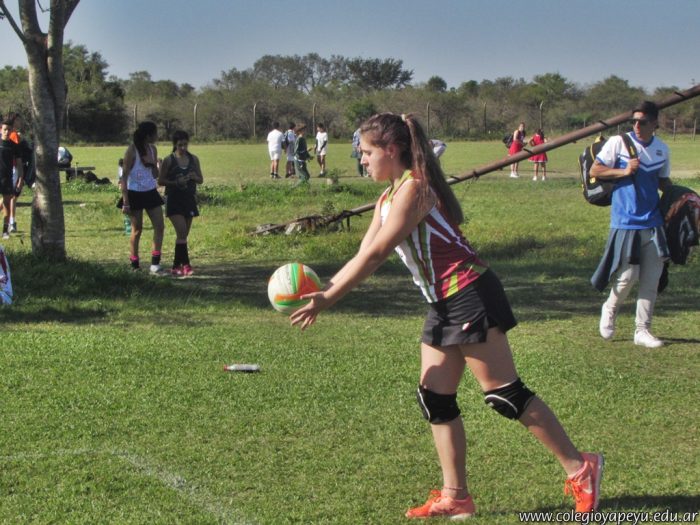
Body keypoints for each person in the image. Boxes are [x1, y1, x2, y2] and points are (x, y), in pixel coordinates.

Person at [290, 112, 602, 519]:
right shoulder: (387, 197)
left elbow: (377, 254)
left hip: (469, 293)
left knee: (504, 394)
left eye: (366, 152)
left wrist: (329, 299)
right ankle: (456, 496)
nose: (361, 159)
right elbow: (362, 253)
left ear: (391, 149)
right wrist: (324, 291)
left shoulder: (415, 189)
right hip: (444, 302)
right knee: (435, 397)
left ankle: (581, 469)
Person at [590, 101, 672, 348]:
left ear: (654, 123)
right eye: (634, 121)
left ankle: (642, 330)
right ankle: (609, 309)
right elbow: (596, 170)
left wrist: (682, 198)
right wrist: (624, 171)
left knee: (652, 278)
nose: (637, 125)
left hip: (653, 221)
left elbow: (663, 182)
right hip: (626, 220)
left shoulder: (662, 149)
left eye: (642, 121)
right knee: (628, 275)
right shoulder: (618, 142)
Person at [120, 121, 165, 274]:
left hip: (150, 192)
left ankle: (155, 263)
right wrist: (125, 201)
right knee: (137, 229)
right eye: (155, 133)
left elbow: (155, 176)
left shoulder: (153, 149)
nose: (157, 136)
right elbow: (124, 177)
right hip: (134, 193)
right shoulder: (132, 150)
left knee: (159, 226)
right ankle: (134, 264)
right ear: (147, 135)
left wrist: (154, 165)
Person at [158, 130, 204, 277]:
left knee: (183, 236)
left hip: (189, 200)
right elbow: (161, 181)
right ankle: (187, 265)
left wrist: (194, 177)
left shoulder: (194, 159)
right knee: (182, 232)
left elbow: (200, 179)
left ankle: (176, 266)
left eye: (185, 144)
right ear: (175, 144)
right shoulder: (169, 160)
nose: (183, 148)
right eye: (180, 145)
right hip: (174, 200)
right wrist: (176, 182)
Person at [6, 113, 30, 232]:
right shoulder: (14, 135)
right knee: (12, 196)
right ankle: (11, 222)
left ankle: (12, 222)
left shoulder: (7, 132)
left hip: (9, 167)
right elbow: (17, 154)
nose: (20, 122)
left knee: (11, 197)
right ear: (14, 121)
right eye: (18, 120)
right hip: (14, 167)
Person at [0, 120, 23, 240]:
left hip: (7, 178)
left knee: (7, 205)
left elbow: (19, 164)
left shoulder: (14, 146)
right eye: (5, 129)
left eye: (9, 130)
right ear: (1, 130)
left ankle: (5, 231)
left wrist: (20, 179)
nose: (7, 132)